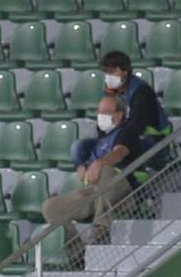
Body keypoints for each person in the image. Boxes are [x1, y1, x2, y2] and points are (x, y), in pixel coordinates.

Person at [42, 92, 134, 259]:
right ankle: (77, 252)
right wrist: (82, 166)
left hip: (122, 189)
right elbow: (90, 162)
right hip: (95, 192)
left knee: (105, 171)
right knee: (51, 207)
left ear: (119, 115)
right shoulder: (101, 138)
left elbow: (120, 153)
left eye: (106, 112)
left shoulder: (127, 132)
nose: (101, 116)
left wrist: (100, 164)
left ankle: (101, 231)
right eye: (99, 112)